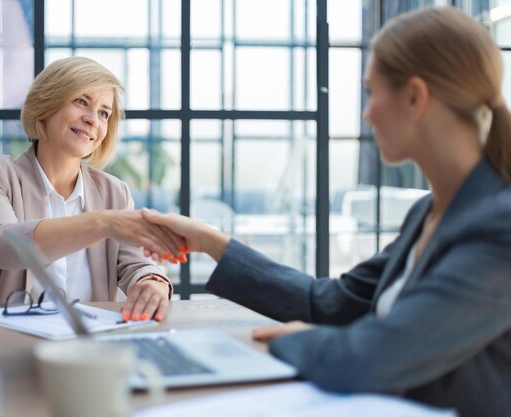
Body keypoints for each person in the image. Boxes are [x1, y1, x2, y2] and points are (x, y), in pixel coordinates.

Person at [141, 7, 511, 417]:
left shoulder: (499, 228)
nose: (367, 113)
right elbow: (333, 302)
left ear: (414, 97)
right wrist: (210, 242)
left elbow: (368, 358)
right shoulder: (430, 212)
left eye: (371, 93)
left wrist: (291, 340)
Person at [0, 56, 186, 321]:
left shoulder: (114, 192)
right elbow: (1, 245)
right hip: (3, 345)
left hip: (87, 350)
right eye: (81, 101)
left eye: (104, 113)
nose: (93, 120)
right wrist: (102, 223)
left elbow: (137, 263)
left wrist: (152, 282)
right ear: (46, 104)